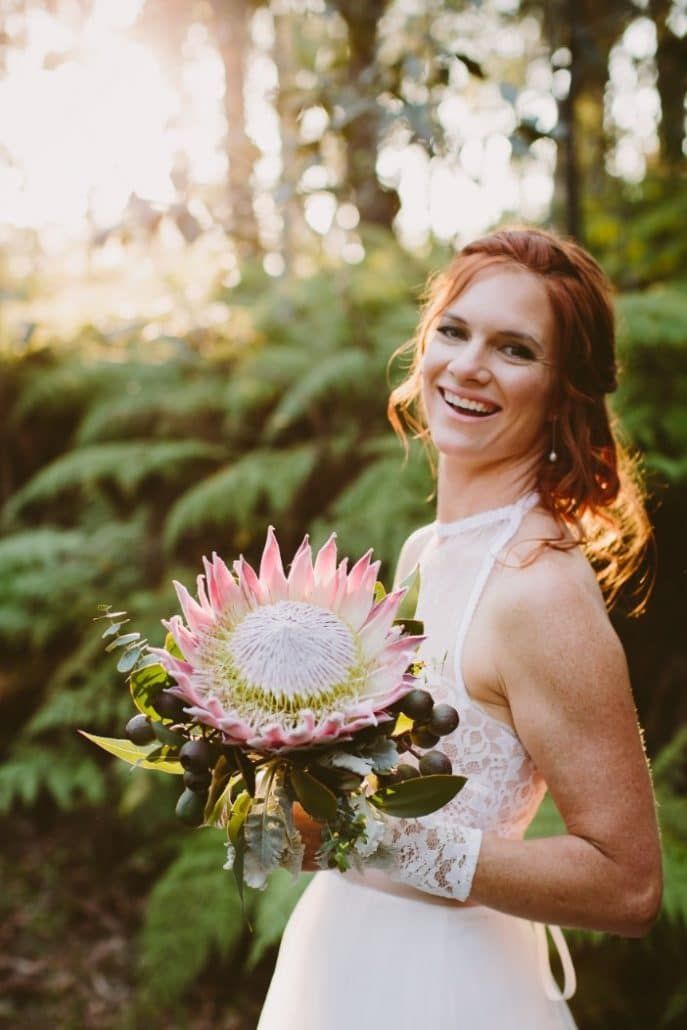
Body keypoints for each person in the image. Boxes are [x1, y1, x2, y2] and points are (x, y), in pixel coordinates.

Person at [256, 227, 663, 1030]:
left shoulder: (536, 592)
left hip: (445, 985)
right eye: (454, 330)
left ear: (561, 390)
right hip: (344, 953)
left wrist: (372, 841)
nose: (469, 364)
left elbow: (627, 885)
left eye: (514, 349)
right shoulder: (425, 551)